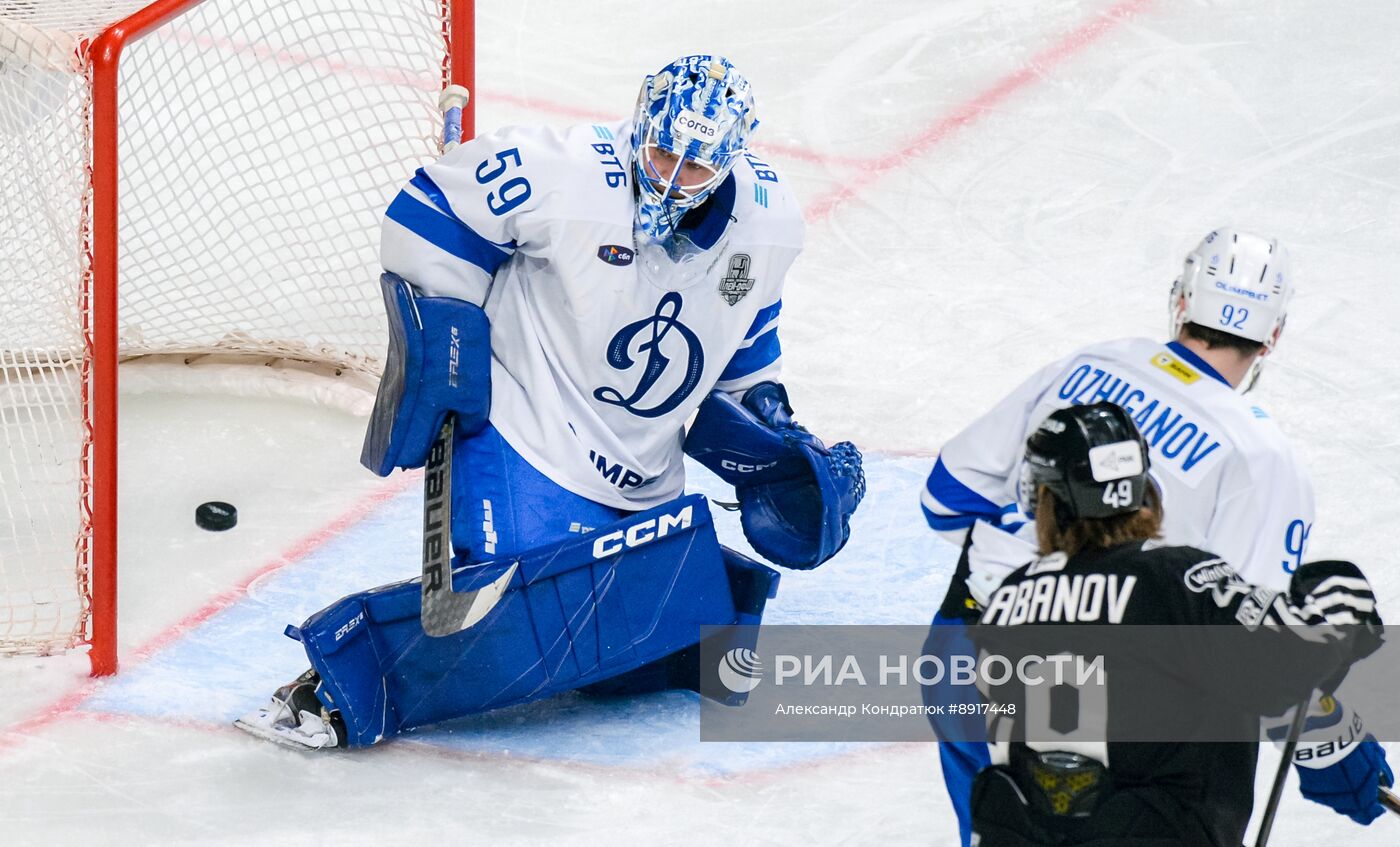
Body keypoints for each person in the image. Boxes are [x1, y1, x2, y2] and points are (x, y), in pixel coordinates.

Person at [234, 54, 864, 750]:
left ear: (732, 163)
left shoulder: (771, 226)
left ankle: (679, 595)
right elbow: (426, 213)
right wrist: (446, 339)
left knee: (628, 658)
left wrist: (770, 423)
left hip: (644, 463)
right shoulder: (561, 170)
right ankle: (333, 685)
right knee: (529, 619)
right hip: (525, 427)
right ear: (639, 123)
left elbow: (747, 342)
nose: (669, 179)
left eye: (694, 168)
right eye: (659, 152)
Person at [917, 229, 1389, 843]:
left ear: (1182, 301)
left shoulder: (1092, 366)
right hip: (1099, 705)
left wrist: (1048, 574)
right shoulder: (1261, 457)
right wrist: (1333, 744)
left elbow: (945, 497)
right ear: (1273, 334)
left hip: (967, 646)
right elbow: (1257, 655)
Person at [964, 403, 1387, 846]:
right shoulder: (1178, 580)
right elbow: (1291, 665)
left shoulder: (1007, 600)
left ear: (1045, 499)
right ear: (1144, 490)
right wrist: (1342, 606)